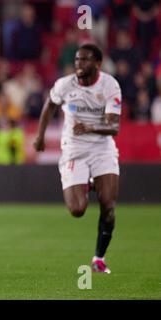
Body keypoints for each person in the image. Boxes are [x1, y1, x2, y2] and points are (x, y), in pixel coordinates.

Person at [33, 44, 122, 274]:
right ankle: (89, 183)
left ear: (98, 64)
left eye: (84, 60)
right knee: (77, 209)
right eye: (77, 60)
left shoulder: (110, 85)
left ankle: (99, 259)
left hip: (102, 149)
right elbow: (49, 105)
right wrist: (40, 136)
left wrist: (90, 126)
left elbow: (114, 127)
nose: (78, 65)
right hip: (74, 149)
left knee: (109, 206)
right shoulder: (65, 85)